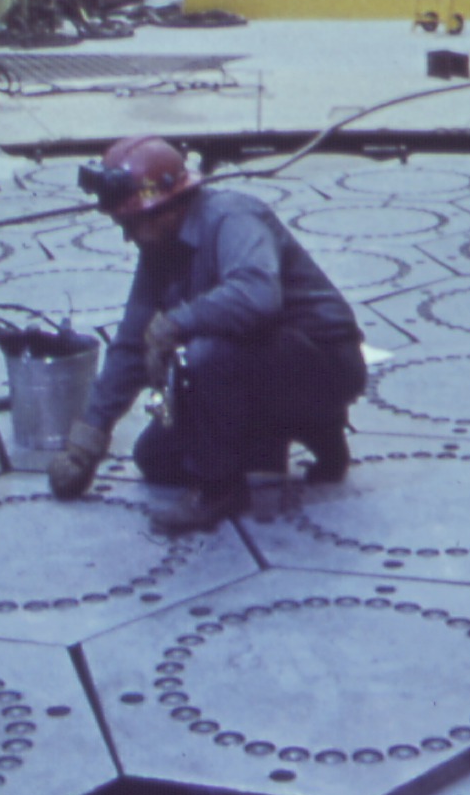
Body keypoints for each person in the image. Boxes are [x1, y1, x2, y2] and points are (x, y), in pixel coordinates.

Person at [48, 136, 366, 533]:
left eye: (129, 223)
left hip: (325, 364)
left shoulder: (232, 218)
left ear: (163, 208)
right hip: (267, 365)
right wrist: (86, 444)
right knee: (156, 459)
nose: (127, 236)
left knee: (207, 355)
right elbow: (132, 342)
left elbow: (257, 296)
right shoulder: (160, 246)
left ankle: (221, 488)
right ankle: (289, 433)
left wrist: (179, 322)